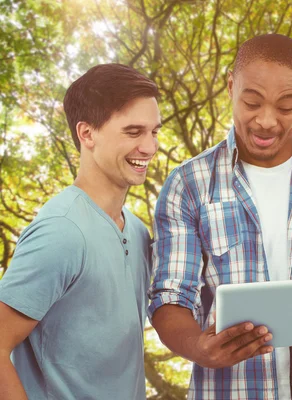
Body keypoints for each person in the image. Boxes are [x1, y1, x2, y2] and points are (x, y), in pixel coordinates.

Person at [149, 33, 292, 399]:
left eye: (286, 106)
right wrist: (198, 347)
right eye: (252, 102)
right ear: (230, 86)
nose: (267, 121)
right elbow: (169, 297)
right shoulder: (188, 185)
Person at [0, 63, 161, 399]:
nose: (149, 147)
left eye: (154, 132)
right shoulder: (62, 231)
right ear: (87, 134)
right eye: (133, 132)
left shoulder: (137, 229)